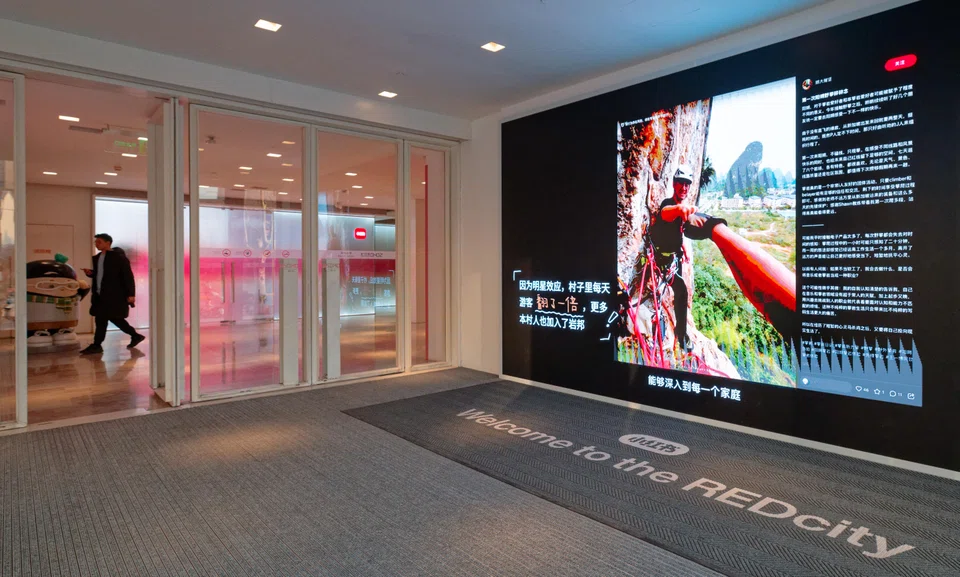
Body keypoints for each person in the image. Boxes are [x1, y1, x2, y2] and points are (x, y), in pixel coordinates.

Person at [648, 165, 726, 352]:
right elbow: (667, 213)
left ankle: (681, 333)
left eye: (687, 185)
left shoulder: (680, 210)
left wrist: (682, 244)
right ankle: (670, 335)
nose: (684, 188)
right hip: (659, 261)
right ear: (674, 184)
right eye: (681, 183)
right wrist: (680, 209)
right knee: (668, 293)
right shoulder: (668, 205)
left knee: (682, 293)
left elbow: (678, 228)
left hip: (672, 259)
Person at [79, 233, 145, 354]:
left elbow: (128, 277)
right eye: (96, 242)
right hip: (100, 295)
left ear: (108, 243)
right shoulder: (98, 257)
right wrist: (91, 273)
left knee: (109, 319)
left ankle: (98, 344)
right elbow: (102, 274)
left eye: (99, 242)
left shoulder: (119, 258)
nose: (96, 244)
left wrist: (131, 294)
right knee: (104, 319)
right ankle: (133, 336)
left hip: (114, 295)